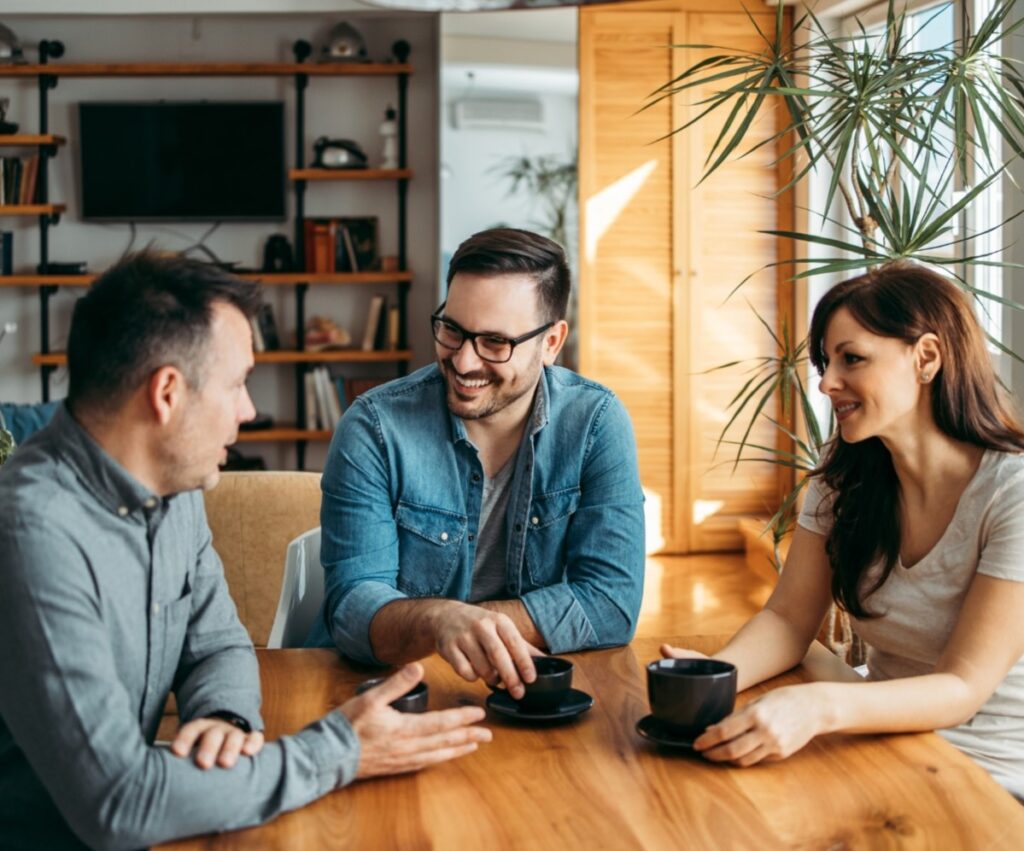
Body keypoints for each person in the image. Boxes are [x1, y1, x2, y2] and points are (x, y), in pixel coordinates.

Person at [0, 253, 491, 851]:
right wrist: (343, 750)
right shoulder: (31, 533)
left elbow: (218, 643)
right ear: (167, 394)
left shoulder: (169, 480)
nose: (249, 411)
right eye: (237, 384)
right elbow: (117, 802)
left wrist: (223, 720)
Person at [662, 262, 1024, 798]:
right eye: (826, 361)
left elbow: (962, 687)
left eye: (852, 358)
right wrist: (718, 674)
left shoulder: (1011, 492)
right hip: (882, 744)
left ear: (926, 357)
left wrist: (821, 706)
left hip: (990, 778)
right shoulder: (848, 472)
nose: (828, 382)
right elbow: (788, 618)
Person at [310, 228, 645, 700]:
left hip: (528, 694)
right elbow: (351, 611)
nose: (464, 361)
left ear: (551, 342)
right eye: (452, 329)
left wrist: (471, 626)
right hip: (391, 695)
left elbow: (611, 603)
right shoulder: (374, 428)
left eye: (494, 342)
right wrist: (439, 621)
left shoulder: (596, 424)